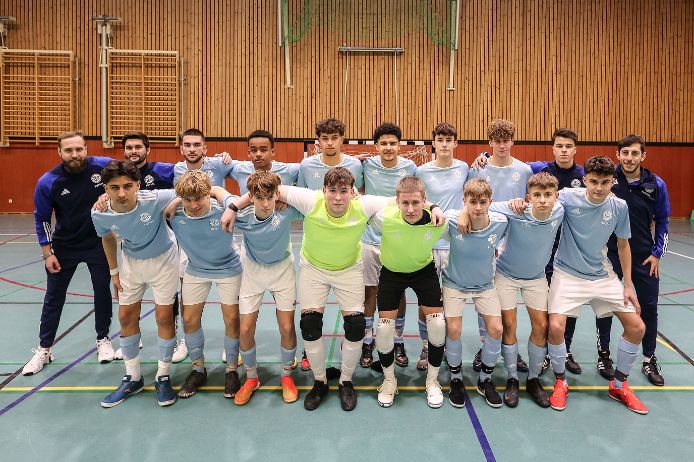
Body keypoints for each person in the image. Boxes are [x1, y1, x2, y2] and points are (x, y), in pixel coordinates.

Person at [535, 155, 647, 414]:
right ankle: (561, 382)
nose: (598, 188)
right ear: (584, 180)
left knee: (637, 327)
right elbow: (541, 198)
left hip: (602, 275)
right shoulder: (567, 197)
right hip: (567, 273)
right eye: (593, 181)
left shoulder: (619, 207)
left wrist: (627, 284)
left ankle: (619, 385)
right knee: (555, 327)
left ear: (613, 182)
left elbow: (622, 244)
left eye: (605, 182)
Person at [23, 131, 114, 375]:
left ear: (86, 148)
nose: (75, 155)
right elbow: (42, 218)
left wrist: (109, 193)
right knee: (54, 297)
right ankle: (44, 348)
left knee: (102, 292)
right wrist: (47, 252)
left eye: (79, 149)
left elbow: (131, 172)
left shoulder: (103, 167)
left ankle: (103, 340)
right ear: (60, 152)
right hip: (65, 246)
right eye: (69, 151)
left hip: (99, 243)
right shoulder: (48, 181)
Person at [92, 160, 179, 408]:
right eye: (114, 187)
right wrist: (114, 272)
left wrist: (175, 201)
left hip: (164, 260)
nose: (122, 193)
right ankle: (133, 377)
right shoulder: (99, 211)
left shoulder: (155, 198)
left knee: (164, 317)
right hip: (131, 262)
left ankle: (163, 375)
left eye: (128, 186)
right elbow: (107, 239)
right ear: (105, 189)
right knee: (126, 317)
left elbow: (190, 190)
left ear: (138, 185)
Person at [592, 135, 670, 386]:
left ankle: (649, 358)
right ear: (618, 155)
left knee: (648, 307)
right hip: (610, 255)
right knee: (605, 306)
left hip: (644, 256)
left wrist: (657, 253)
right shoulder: (608, 180)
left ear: (642, 156)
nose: (629, 158)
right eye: (625, 153)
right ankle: (604, 355)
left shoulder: (656, 184)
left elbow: (663, 222)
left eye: (635, 153)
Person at [487, 173, 564, 408]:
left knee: (541, 325)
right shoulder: (517, 210)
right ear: (528, 197)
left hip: (536, 278)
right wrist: (512, 202)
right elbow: (488, 204)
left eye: (548, 195)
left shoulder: (560, 210)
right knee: (509, 324)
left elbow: (583, 195)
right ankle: (512, 378)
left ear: (556, 197)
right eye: (537, 195)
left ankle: (532, 379)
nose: (542, 200)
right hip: (506, 275)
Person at [226, 171, 302, 405]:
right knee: (246, 329)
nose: (266, 203)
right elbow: (215, 194)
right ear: (251, 197)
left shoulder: (286, 210)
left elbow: (316, 202)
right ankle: (251, 377)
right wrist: (233, 207)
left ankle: (287, 375)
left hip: (282, 271)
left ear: (277, 194)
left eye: (270, 197)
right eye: (260, 198)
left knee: (287, 327)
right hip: (253, 272)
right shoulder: (242, 215)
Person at [294, 117, 364, 371]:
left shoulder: (355, 165)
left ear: (342, 139)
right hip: (316, 242)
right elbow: (298, 198)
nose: (330, 142)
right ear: (318, 141)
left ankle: (356, 348)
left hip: (346, 243)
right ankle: (309, 351)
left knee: (355, 319)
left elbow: (359, 196)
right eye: (325, 138)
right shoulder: (306, 165)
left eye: (334, 137)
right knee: (311, 318)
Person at [167, 171, 244, 400]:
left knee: (231, 318)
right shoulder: (174, 213)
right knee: (189, 319)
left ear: (207, 195)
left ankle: (231, 370)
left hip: (229, 268)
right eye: (187, 200)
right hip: (196, 269)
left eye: (198, 199)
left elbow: (230, 198)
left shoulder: (224, 210)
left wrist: (218, 192)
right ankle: (198, 369)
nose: (192, 205)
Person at [370, 177, 446, 408]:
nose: (411, 209)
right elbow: (359, 204)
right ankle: (389, 380)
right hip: (392, 272)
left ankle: (432, 381)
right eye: (405, 203)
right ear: (397, 202)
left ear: (424, 201)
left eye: (416, 202)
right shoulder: (383, 218)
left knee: (438, 325)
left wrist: (435, 208)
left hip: (423, 270)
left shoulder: (437, 221)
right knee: (383, 329)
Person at [468, 119, 532, 373]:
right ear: (490, 142)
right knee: (485, 296)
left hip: (515, 242)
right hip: (486, 240)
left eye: (506, 140)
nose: (502, 145)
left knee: (508, 301)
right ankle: (486, 345)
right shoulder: (479, 170)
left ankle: (510, 348)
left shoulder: (525, 170)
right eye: (497, 141)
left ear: (512, 141)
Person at [442, 178, 508, 408]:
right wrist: (461, 213)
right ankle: (456, 378)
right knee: (453, 328)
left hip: (484, 285)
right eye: (472, 202)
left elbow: (516, 209)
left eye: (482, 202)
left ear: (490, 201)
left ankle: (485, 379)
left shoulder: (500, 222)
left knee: (496, 329)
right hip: (454, 283)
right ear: (464, 201)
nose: (477, 207)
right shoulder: (452, 219)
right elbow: (433, 209)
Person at [360, 123, 417, 369]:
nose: (388, 147)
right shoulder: (366, 165)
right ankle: (366, 339)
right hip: (371, 240)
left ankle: (397, 339)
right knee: (369, 292)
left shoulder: (410, 168)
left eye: (393, 143)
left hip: (399, 242)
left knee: (398, 293)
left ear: (399, 146)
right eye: (383, 143)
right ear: (376, 147)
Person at [415, 122, 469, 370]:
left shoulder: (465, 168)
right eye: (440, 139)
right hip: (426, 243)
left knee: (450, 300)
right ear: (433, 143)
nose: (445, 144)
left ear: (455, 143)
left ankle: (445, 345)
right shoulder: (421, 171)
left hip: (454, 244)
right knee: (426, 300)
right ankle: (427, 346)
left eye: (449, 139)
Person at [231, 129, 299, 195]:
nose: (258, 154)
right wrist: (223, 155)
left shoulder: (288, 170)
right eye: (254, 150)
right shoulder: (240, 169)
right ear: (249, 153)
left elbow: (307, 168)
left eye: (263, 150)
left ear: (272, 152)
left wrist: (290, 200)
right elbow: (221, 165)